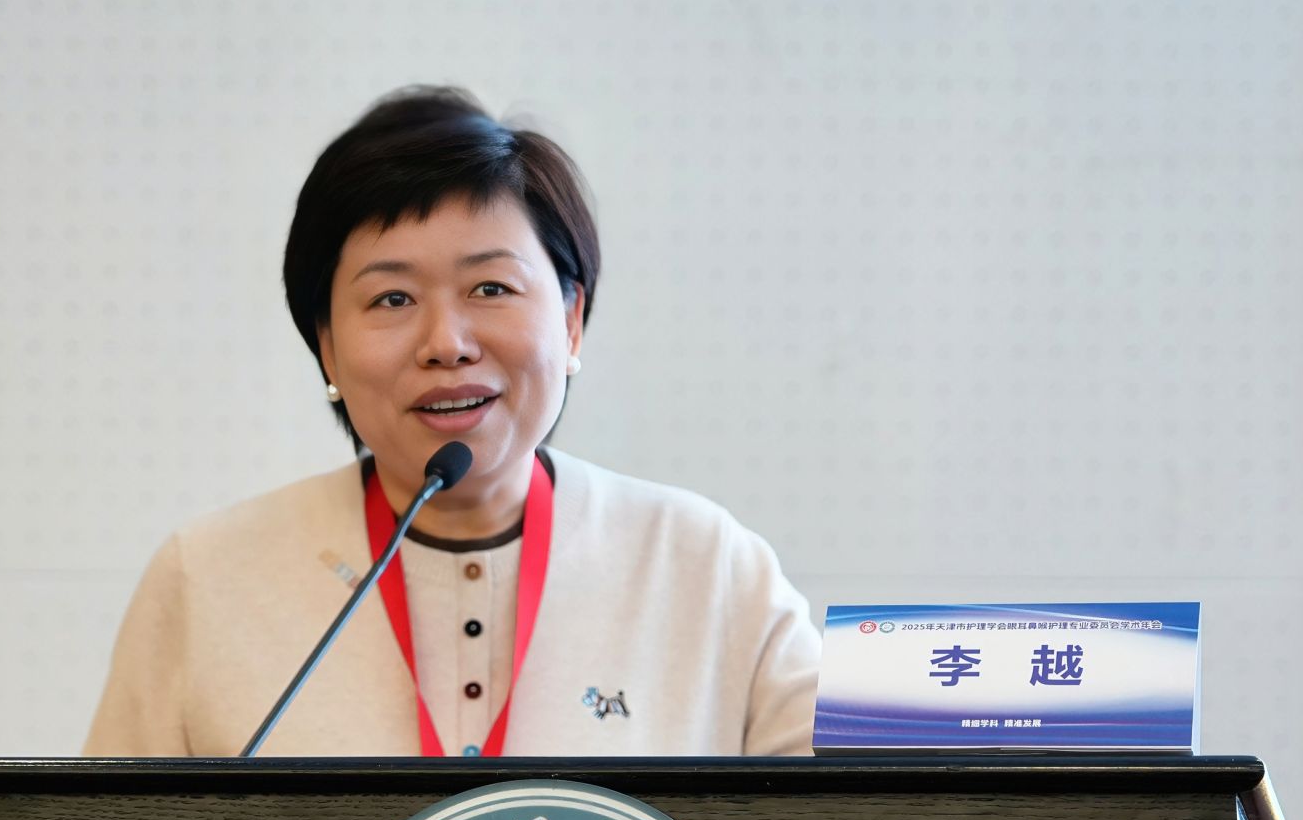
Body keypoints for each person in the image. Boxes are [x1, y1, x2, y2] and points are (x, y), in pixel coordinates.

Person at [83, 86, 820, 758]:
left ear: (571, 321)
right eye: (392, 299)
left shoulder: (705, 564)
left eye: (491, 287)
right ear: (327, 348)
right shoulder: (207, 578)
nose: (446, 343)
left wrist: (892, 674)